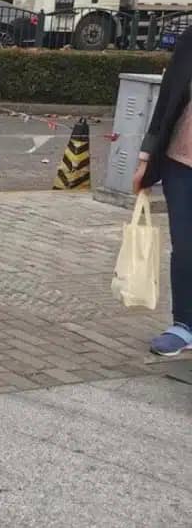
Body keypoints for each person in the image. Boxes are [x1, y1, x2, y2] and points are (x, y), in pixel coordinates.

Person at [133, 27, 192, 356]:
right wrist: (145, 158)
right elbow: (168, 100)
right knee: (185, 246)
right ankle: (184, 324)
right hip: (181, 163)